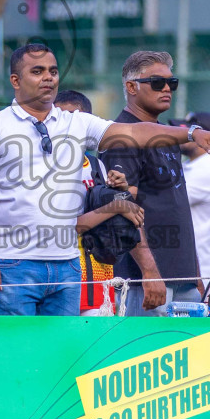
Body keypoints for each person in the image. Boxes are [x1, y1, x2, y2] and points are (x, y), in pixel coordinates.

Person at [0, 43, 210, 318]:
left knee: (65, 358)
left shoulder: (76, 122)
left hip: (67, 265)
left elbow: (135, 131)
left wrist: (191, 134)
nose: (48, 77)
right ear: (15, 80)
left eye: (53, 71)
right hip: (13, 264)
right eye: (37, 71)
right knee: (17, 351)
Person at [101, 51, 204, 314]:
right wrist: (148, 271)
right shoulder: (122, 135)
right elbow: (123, 209)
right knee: (144, 354)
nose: (167, 88)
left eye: (172, 82)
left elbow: (175, 206)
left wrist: (194, 272)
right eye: (157, 82)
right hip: (145, 281)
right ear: (131, 87)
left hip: (182, 278)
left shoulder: (165, 134)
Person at [52, 91, 155, 317]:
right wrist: (115, 206)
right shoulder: (47, 169)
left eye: (77, 118)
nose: (70, 125)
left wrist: (121, 192)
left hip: (99, 275)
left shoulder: (98, 164)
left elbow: (117, 217)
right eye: (62, 117)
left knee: (97, 347)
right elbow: (68, 225)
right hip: (63, 278)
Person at [181, 111, 210, 295]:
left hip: (199, 274)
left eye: (190, 130)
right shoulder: (192, 165)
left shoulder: (207, 170)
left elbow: (163, 201)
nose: (183, 133)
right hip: (189, 269)